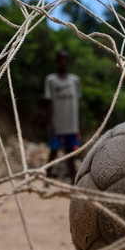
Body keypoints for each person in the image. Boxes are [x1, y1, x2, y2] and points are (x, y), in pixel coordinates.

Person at [44, 50, 81, 182]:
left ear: (68, 61)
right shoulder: (51, 80)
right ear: (57, 61)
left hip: (72, 126)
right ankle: (46, 182)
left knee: (70, 156)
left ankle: (73, 183)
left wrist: (79, 125)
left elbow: (77, 104)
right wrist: (50, 124)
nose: (63, 62)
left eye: (65, 59)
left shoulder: (74, 80)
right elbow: (48, 103)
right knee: (53, 153)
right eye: (61, 59)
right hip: (57, 125)